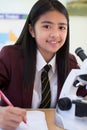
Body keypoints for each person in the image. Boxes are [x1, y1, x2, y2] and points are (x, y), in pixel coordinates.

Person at [0, 0, 87, 129]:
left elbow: (80, 96)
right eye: (47, 26)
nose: (55, 34)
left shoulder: (71, 63)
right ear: (32, 30)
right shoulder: (10, 56)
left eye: (62, 27)